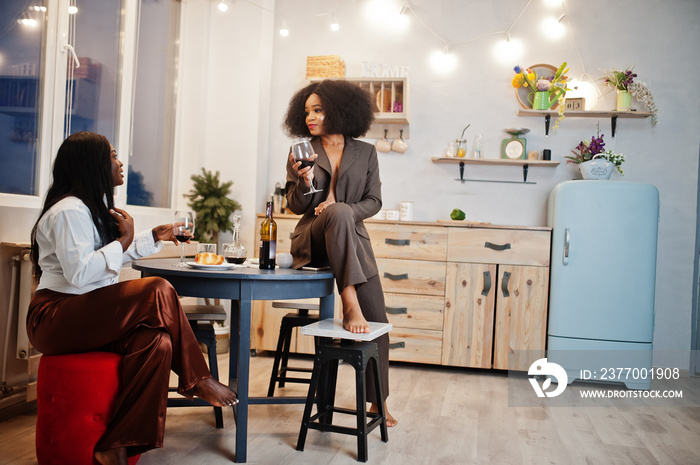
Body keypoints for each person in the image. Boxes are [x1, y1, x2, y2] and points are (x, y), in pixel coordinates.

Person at [27, 131, 238, 465]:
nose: (120, 162)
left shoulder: (88, 208)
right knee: (158, 288)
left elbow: (101, 261)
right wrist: (123, 241)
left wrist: (151, 237)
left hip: (81, 316)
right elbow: (81, 274)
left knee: (158, 343)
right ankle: (198, 378)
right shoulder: (69, 211)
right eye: (113, 156)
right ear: (93, 164)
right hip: (55, 318)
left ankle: (117, 446)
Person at [283, 79, 397, 427]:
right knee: (334, 213)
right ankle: (349, 302)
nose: (311, 117)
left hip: (351, 238)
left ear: (339, 110)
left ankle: (379, 402)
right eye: (307, 111)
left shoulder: (366, 153)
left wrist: (342, 209)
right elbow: (293, 206)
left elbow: (374, 201)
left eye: (318, 110)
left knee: (377, 318)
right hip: (313, 239)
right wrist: (303, 182)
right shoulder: (302, 151)